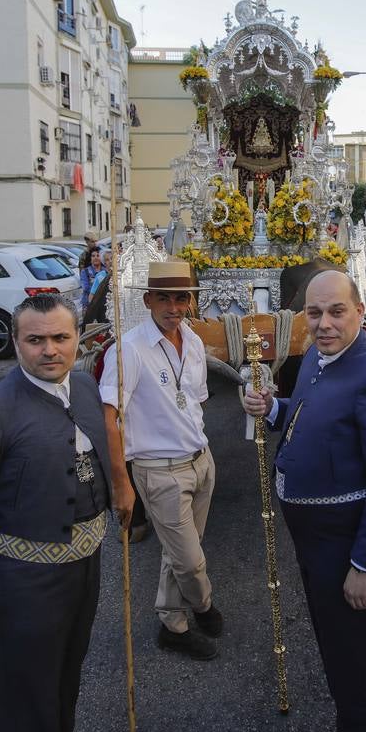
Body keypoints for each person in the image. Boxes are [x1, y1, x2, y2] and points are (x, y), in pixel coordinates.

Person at [243, 270, 366, 732]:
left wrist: (365, 564)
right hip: (316, 538)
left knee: (353, 660)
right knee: (335, 646)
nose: (324, 324)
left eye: (336, 311)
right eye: (314, 313)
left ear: (359, 312)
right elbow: (308, 413)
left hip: (347, 543)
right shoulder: (321, 358)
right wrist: (273, 410)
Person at [0, 295, 112, 732]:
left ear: (77, 339)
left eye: (60, 337)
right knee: (26, 694)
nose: (49, 350)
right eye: (35, 340)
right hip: (21, 582)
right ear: (14, 343)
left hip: (85, 570)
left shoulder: (86, 387)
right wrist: (16, 544)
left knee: (66, 677)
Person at [100, 260, 222, 661]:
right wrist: (121, 483)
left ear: (190, 301)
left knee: (179, 551)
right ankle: (202, 605)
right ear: (149, 299)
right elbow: (110, 418)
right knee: (189, 561)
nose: (173, 306)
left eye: (181, 297)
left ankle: (173, 623)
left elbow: (196, 403)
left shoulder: (193, 341)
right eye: (164, 297)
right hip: (160, 472)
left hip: (201, 461)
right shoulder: (129, 349)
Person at [80, 246, 103, 312]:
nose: (96, 258)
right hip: (89, 305)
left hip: (102, 305)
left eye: (98, 255)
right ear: (90, 258)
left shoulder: (105, 271)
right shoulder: (85, 272)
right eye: (93, 256)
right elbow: (85, 288)